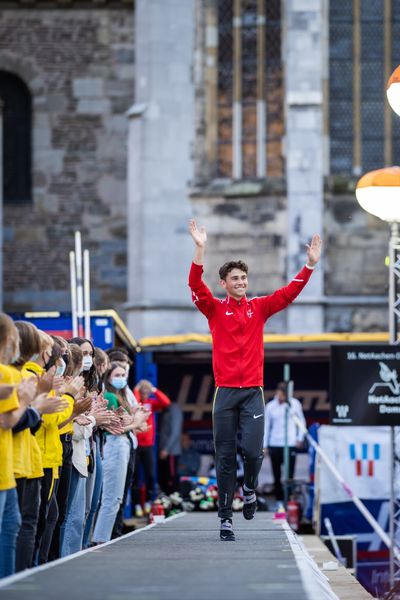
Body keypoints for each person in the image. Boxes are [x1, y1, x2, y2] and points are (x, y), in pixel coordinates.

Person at [188, 219, 321, 541]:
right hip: (224, 392)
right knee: (223, 457)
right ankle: (225, 519)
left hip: (252, 393)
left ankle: (249, 488)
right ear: (224, 283)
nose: (241, 282)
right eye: (235, 278)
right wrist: (200, 248)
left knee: (252, 452)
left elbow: (288, 294)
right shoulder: (215, 309)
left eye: (244, 278)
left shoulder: (259, 308)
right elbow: (195, 285)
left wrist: (309, 266)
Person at [263, 383, 307, 508]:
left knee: (290, 475)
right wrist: (265, 445)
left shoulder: (294, 404)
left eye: (283, 395)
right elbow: (266, 426)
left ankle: (289, 500)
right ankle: (279, 500)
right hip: (275, 443)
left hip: (290, 443)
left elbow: (301, 421)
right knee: (276, 475)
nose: (280, 397)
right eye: (278, 394)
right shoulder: (270, 406)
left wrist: (300, 438)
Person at [132, 380, 171, 516]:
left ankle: (149, 502)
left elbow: (166, 403)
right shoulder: (136, 402)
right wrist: (136, 391)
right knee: (136, 477)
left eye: (146, 392)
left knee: (150, 475)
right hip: (136, 444)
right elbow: (134, 405)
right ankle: (137, 505)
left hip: (148, 445)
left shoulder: (151, 403)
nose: (144, 394)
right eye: (143, 392)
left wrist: (154, 390)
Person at [158, 398, 183, 494]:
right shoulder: (166, 409)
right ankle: (168, 502)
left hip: (171, 451)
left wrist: (166, 449)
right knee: (164, 478)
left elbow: (175, 432)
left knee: (172, 479)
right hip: (164, 451)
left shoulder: (174, 409)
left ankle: (174, 501)